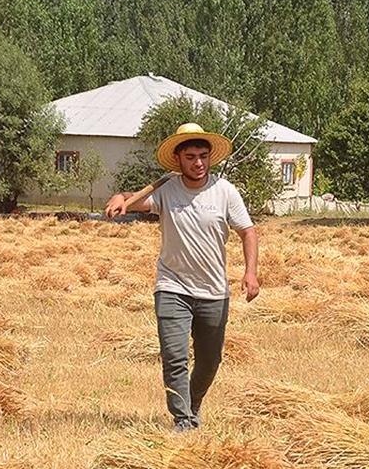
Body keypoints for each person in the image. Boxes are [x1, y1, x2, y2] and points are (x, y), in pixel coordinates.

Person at [104, 122, 260, 432]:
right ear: (178, 159)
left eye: (203, 156)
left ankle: (194, 401)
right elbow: (134, 200)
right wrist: (120, 197)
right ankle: (183, 419)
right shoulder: (165, 190)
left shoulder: (225, 191)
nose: (198, 163)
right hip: (172, 286)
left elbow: (247, 231)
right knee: (174, 356)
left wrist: (251, 272)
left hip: (214, 290)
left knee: (209, 361)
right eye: (190, 156)